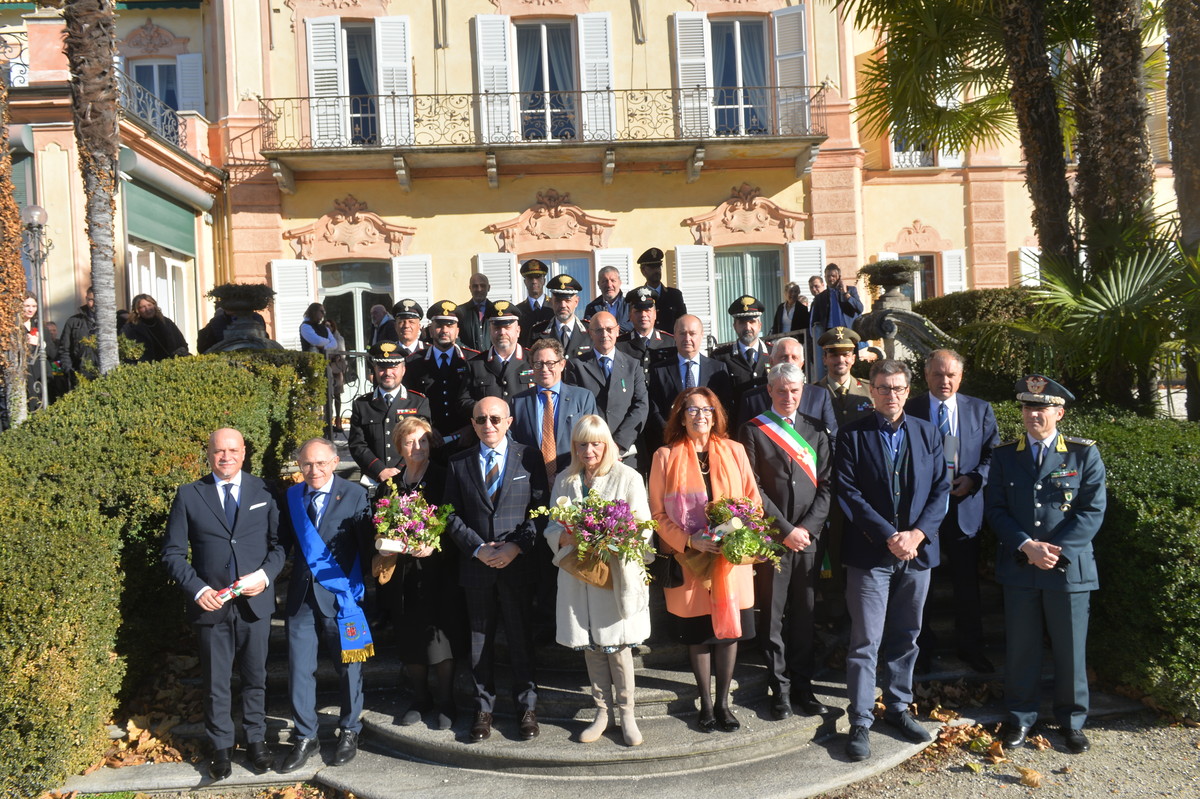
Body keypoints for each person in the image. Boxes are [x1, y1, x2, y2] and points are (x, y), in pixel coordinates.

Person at [835, 360, 950, 762]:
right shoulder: (852, 435)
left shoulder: (929, 433)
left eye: (899, 388)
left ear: (908, 390)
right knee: (866, 641)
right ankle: (861, 720)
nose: (891, 395)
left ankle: (898, 708)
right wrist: (889, 536)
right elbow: (848, 493)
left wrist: (916, 535)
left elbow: (942, 490)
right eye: (883, 388)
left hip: (917, 555)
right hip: (871, 556)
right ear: (871, 390)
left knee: (906, 636)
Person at [987, 375, 1106, 755]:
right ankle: (1021, 717)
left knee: (1070, 650)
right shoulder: (1006, 455)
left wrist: (1053, 551)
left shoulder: (1083, 453)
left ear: (1060, 412)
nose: (1033, 414)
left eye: (1041, 408)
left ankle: (1072, 721)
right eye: (1027, 406)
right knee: (1021, 648)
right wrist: (1027, 546)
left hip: (1067, 569)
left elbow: (1092, 510)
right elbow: (996, 509)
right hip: (1021, 567)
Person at [161, 428, 284, 779]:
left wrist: (264, 576)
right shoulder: (189, 495)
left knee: (255, 677)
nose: (225, 457)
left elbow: (280, 546)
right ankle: (220, 747)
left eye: (232, 450)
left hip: (255, 605)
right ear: (209, 454)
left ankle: (257, 741)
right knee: (216, 682)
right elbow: (172, 553)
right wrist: (197, 590)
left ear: (244, 453)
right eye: (218, 451)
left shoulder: (264, 490)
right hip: (210, 606)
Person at [648, 387, 762, 733]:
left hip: (730, 559)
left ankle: (725, 704)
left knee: (727, 635)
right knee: (698, 634)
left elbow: (752, 504)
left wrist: (736, 535)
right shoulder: (664, 457)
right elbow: (656, 513)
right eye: (693, 410)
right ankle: (706, 704)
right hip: (689, 558)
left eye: (707, 410)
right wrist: (689, 540)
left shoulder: (735, 451)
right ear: (681, 417)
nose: (701, 416)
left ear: (717, 416)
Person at [444, 397, 549, 742]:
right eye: (480, 419)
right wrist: (476, 548)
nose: (488, 425)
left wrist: (516, 546)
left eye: (494, 418)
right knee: (479, 642)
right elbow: (450, 513)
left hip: (517, 565)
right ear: (472, 424)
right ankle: (483, 709)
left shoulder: (529, 456)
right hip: (477, 566)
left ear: (508, 421)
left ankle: (527, 708)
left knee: (520, 638)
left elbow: (540, 509)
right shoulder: (458, 463)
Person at [544, 415, 652, 746]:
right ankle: (602, 712)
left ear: (606, 445)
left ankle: (627, 714)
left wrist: (614, 536)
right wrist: (568, 536)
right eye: (581, 444)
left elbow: (644, 528)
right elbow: (550, 528)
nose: (588, 450)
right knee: (591, 647)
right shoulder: (565, 480)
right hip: (579, 575)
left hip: (614, 575)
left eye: (595, 443)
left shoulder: (628, 478)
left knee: (618, 647)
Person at [739, 363, 833, 720]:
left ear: (803, 390)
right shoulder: (753, 430)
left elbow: (826, 485)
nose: (788, 397)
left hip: (807, 540)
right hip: (772, 540)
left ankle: (803, 687)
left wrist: (806, 529)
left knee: (805, 616)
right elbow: (753, 489)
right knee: (773, 617)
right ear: (769, 390)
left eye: (794, 391)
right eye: (781, 391)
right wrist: (784, 529)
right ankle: (778, 688)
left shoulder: (816, 429)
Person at [279, 438, 374, 773]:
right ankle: (306, 735)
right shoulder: (291, 496)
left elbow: (367, 546)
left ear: (335, 462)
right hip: (302, 598)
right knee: (299, 669)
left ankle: (349, 730)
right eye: (306, 464)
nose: (313, 470)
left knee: (349, 666)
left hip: (342, 597)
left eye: (320, 463)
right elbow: (282, 545)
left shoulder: (356, 495)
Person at [905, 350, 1000, 674]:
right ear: (926, 375)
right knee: (922, 586)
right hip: (923, 514)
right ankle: (922, 652)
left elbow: (992, 455)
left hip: (964, 510)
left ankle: (971, 649)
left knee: (966, 586)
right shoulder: (911, 408)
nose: (944, 381)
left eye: (951, 375)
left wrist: (975, 479)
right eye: (937, 374)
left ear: (960, 377)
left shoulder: (980, 410)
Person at [372, 416, 463, 731]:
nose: (417, 447)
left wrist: (435, 545)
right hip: (401, 574)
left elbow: (454, 521)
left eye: (423, 440)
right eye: (410, 441)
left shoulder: (442, 477)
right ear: (399, 445)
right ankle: (420, 698)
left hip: (436, 570)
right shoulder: (391, 484)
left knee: (439, 638)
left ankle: (447, 701)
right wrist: (382, 543)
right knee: (409, 635)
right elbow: (378, 519)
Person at [511, 337, 599, 487]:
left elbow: (592, 440)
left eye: (550, 363)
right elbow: (513, 445)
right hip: (531, 483)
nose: (545, 369)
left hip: (573, 479)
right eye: (538, 364)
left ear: (562, 364)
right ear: (532, 366)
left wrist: (562, 475)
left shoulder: (583, 398)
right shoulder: (518, 402)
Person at [564, 311, 648, 465]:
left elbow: (641, 406)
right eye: (598, 330)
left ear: (617, 331)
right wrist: (596, 444)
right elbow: (574, 408)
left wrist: (618, 444)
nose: (605, 334)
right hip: (590, 452)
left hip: (625, 453)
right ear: (590, 333)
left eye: (609, 329)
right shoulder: (576, 366)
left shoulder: (633, 365)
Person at [347, 342, 432, 486]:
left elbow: (423, 442)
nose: (388, 373)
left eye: (393, 367)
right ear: (374, 369)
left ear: (403, 370)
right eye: (382, 368)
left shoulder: (418, 402)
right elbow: (357, 444)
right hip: (373, 479)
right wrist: (380, 470)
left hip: (409, 478)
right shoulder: (362, 404)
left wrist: (399, 471)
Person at [646, 315, 733, 452]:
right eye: (682, 333)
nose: (687, 339)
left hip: (708, 444)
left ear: (701, 335)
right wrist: (672, 433)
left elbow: (724, 407)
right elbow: (654, 408)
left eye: (692, 333)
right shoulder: (659, 370)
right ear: (674, 335)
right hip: (672, 444)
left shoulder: (718, 369)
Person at [403, 301, 477, 448]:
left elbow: (480, 398)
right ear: (431, 330)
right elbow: (407, 402)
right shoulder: (413, 363)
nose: (444, 330)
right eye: (439, 325)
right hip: (426, 441)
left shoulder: (473, 360)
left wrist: (472, 428)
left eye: (450, 325)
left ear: (457, 331)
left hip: (466, 441)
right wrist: (423, 426)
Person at [733, 337, 837, 436]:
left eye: (794, 357)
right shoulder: (752, 399)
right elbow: (743, 439)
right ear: (771, 362)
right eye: (784, 357)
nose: (789, 362)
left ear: (802, 364)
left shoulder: (819, 396)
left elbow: (831, 436)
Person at [458, 300, 535, 413]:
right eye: (496, 328)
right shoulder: (476, 364)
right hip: (489, 427)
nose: (502, 332)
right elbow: (463, 401)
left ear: (518, 331)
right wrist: (488, 411)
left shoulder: (533, 360)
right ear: (490, 330)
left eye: (507, 327)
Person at [809, 264, 863, 380]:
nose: (831, 278)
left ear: (839, 276)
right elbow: (815, 322)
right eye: (828, 276)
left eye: (833, 276)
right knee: (833, 365)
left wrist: (846, 294)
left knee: (850, 364)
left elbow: (859, 308)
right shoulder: (820, 298)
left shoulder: (850, 291)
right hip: (830, 336)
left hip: (848, 335)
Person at [815, 326, 874, 430]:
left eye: (845, 355)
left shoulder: (871, 390)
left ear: (853, 359)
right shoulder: (813, 392)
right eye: (834, 355)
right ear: (824, 359)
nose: (840, 360)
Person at [712, 296, 771, 395]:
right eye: (742, 322)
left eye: (752, 322)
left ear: (759, 325)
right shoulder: (720, 357)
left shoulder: (773, 352)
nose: (748, 327)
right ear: (734, 326)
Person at [616, 286, 675, 379]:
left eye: (647, 310)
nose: (643, 315)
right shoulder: (619, 344)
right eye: (638, 311)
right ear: (630, 315)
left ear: (655, 314)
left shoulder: (671, 342)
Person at [531, 274, 591, 359]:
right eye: (558, 301)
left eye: (567, 300)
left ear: (576, 302)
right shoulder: (537, 332)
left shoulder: (591, 331)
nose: (563, 305)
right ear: (552, 302)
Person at [122, 293, 188, 362]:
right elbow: (126, 352)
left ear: (154, 306)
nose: (147, 309)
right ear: (137, 310)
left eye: (149, 305)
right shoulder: (131, 328)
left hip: (170, 365)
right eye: (143, 307)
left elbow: (182, 343)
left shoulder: (166, 323)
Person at [637, 247, 687, 333]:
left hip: (671, 343)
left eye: (658, 266)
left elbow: (683, 322)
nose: (657, 270)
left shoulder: (675, 295)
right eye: (652, 267)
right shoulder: (637, 296)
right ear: (643, 271)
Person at [21, 293, 57, 409]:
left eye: (34, 306)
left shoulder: (42, 327)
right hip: (24, 374)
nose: (30, 309)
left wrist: (41, 344)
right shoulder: (15, 328)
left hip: (41, 374)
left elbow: (53, 353)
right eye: (27, 306)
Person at [59, 285, 98, 385]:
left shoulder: (112, 322)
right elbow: (64, 349)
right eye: (91, 300)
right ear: (86, 299)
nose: (94, 304)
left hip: (105, 373)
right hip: (80, 376)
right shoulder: (74, 322)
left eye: (98, 300)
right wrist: (70, 371)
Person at [515, 259, 553, 346]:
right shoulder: (517, 311)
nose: (534, 281)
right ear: (525, 282)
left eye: (538, 277)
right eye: (530, 278)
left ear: (544, 281)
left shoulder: (554, 306)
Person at [583, 266, 631, 332]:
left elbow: (635, 325)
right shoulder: (591, 308)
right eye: (604, 281)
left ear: (620, 282)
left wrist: (613, 329)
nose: (609, 285)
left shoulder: (630, 305)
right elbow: (589, 329)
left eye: (613, 281)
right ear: (598, 284)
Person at [455, 273, 495, 352]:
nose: (479, 289)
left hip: (492, 359)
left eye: (482, 286)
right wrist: (471, 353)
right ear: (470, 288)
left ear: (489, 288)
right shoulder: (460, 311)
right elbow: (455, 338)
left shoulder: (496, 311)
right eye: (475, 286)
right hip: (468, 360)